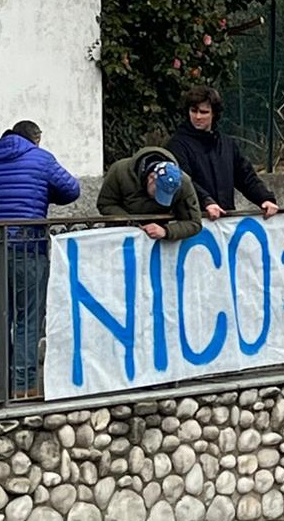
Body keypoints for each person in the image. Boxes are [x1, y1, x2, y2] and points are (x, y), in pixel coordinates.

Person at [0, 120, 81, 398]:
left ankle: (2, 386)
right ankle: (24, 388)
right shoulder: (41, 159)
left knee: (2, 317)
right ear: (36, 139)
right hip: (28, 246)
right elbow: (71, 189)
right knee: (27, 319)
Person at [166, 85, 280, 221]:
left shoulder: (227, 144)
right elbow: (182, 181)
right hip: (193, 222)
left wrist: (264, 199)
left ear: (214, 114)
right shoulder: (177, 145)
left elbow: (245, 177)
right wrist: (206, 202)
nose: (197, 117)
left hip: (225, 221)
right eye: (193, 111)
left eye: (204, 112)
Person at [97, 147, 202, 241]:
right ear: (151, 178)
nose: (158, 198)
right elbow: (105, 204)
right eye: (157, 191)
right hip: (121, 235)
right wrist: (130, 222)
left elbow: (194, 223)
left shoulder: (183, 182)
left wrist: (166, 231)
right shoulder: (119, 171)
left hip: (159, 239)